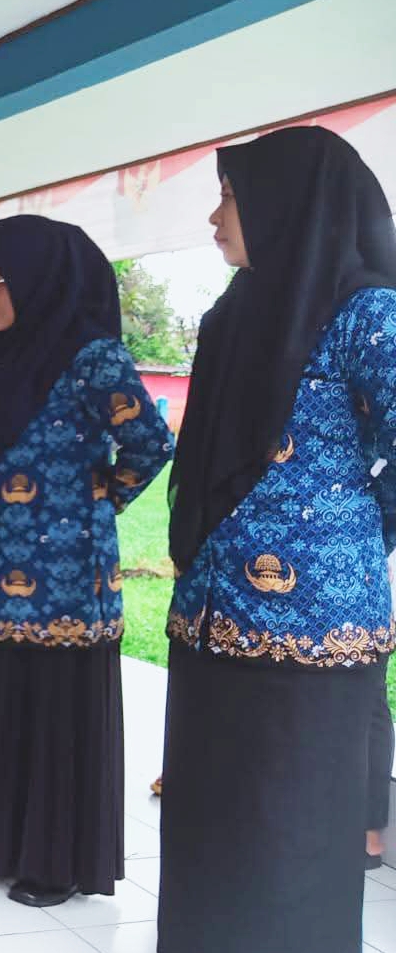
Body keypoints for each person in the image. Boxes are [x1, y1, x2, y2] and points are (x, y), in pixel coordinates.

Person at [158, 126, 396, 953]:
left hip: (314, 637)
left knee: (287, 841)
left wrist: (349, 531)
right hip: (210, 619)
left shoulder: (367, 315)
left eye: (230, 195)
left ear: (285, 204)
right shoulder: (235, 316)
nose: (215, 216)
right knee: (212, 832)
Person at [0, 214, 173, 908]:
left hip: (65, 579)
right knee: (1, 695)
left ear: (40, 279)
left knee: (51, 709)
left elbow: (150, 443)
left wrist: (97, 499)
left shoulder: (92, 357)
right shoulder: (1, 359)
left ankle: (53, 861)